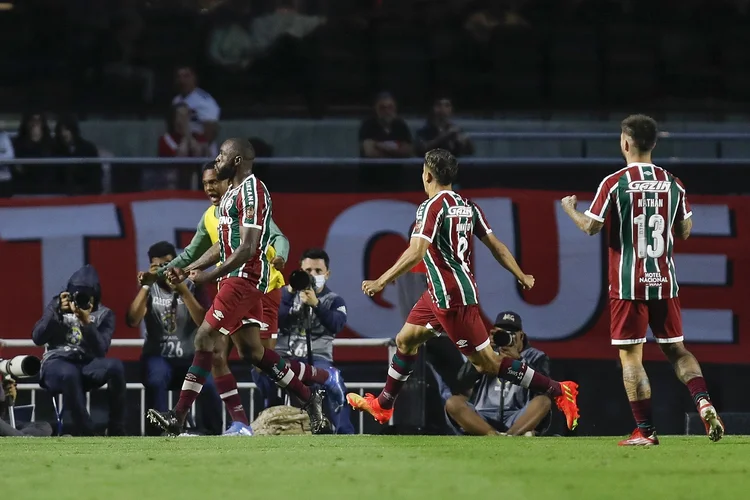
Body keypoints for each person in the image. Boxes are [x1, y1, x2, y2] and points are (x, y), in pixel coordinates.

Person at [346, 149, 580, 431]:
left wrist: (380, 281)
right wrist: (521, 274)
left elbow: (417, 251)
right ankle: (383, 405)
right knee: (406, 340)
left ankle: (558, 390)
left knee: (489, 364)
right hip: (437, 293)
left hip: (451, 298)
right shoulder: (468, 206)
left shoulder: (431, 207)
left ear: (428, 175)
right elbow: (496, 246)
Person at [146, 138, 330, 436]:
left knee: (205, 338)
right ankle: (310, 397)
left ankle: (177, 417)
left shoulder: (253, 191)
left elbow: (247, 248)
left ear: (236, 161)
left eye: (221, 155)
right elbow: (223, 245)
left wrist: (206, 277)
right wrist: (190, 268)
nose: (216, 159)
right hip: (234, 277)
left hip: (246, 277)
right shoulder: (230, 194)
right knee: (252, 353)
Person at [561, 114, 724, 446]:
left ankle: (646, 431)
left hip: (627, 284)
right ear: (654, 144)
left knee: (631, 358)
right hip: (664, 281)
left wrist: (568, 208)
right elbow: (685, 231)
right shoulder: (673, 182)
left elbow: (591, 227)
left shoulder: (614, 182)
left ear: (624, 142)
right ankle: (703, 401)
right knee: (678, 351)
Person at [127, 241, 223, 436]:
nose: (164, 270)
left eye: (168, 264)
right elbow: (132, 320)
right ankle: (161, 430)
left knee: (209, 383)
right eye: (158, 266)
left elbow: (203, 322)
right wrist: (146, 286)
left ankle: (212, 432)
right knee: (157, 377)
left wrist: (183, 290)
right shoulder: (150, 287)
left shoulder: (191, 286)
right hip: (159, 358)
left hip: (189, 358)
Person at [31, 265, 125, 436]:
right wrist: (56, 312)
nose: (79, 299)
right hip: (56, 364)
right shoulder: (57, 305)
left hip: (86, 365)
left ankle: (116, 427)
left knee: (116, 366)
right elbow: (38, 338)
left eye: (85, 296)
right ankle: (87, 431)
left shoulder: (105, 314)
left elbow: (100, 350)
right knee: (69, 373)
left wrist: (86, 323)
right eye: (76, 294)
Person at [273, 248, 351, 433]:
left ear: (327, 274)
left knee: (333, 385)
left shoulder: (334, 300)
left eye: (318, 271)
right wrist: (290, 292)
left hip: (318, 359)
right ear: (300, 270)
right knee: (262, 371)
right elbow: (275, 319)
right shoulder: (284, 295)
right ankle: (271, 422)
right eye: (308, 271)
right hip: (286, 355)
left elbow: (336, 324)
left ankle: (344, 432)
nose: (313, 275)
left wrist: (316, 305)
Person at [446, 311, 552, 436]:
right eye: (501, 333)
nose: (505, 338)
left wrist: (520, 362)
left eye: (510, 334)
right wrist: (481, 353)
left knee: (543, 401)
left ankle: (512, 435)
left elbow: (545, 388)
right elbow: (461, 383)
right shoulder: (486, 353)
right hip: (483, 415)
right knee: (453, 402)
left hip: (517, 414)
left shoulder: (535, 356)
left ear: (521, 336)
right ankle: (492, 434)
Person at [172, 65, 220, 155]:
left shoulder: (205, 101)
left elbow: (211, 131)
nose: (182, 80)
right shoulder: (176, 101)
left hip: (203, 151)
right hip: (182, 148)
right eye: (179, 77)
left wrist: (195, 144)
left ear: (194, 78)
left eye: (186, 76)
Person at [53, 114, 101, 195]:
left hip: (85, 196)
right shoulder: (55, 150)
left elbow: (95, 176)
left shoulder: (88, 149)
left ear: (73, 130)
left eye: (67, 129)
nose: (64, 134)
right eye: (61, 130)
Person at [358, 92, 414, 158]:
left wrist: (377, 145)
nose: (387, 111)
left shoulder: (400, 125)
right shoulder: (368, 125)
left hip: (396, 167)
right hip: (373, 167)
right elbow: (370, 152)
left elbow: (408, 151)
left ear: (395, 108)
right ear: (376, 109)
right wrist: (396, 151)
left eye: (390, 107)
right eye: (382, 108)